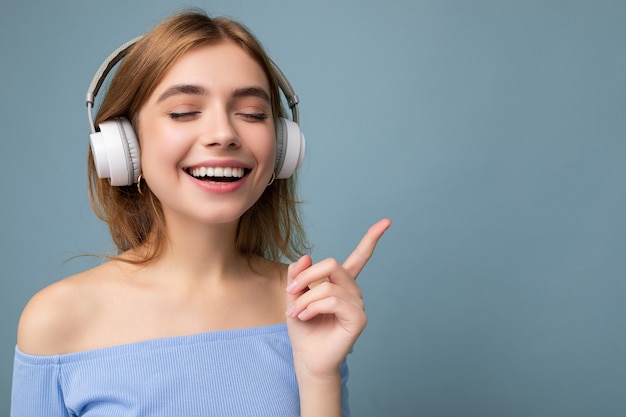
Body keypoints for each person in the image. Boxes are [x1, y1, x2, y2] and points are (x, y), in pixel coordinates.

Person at [11, 9, 390, 417]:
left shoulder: (308, 306)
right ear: (124, 146)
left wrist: (319, 376)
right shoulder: (57, 319)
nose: (224, 134)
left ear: (282, 149)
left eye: (251, 114)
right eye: (183, 112)